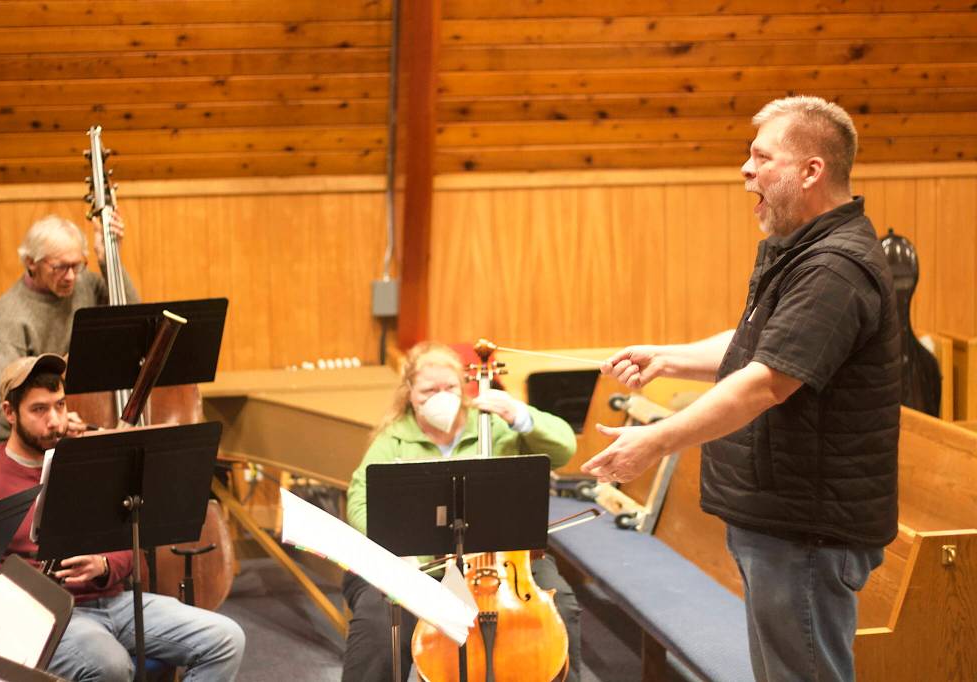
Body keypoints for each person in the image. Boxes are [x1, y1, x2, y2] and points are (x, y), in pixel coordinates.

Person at [585, 96, 900, 682]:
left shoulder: (835, 267)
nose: (745, 169)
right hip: (781, 518)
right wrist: (666, 357)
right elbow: (759, 343)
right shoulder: (805, 251)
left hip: (805, 527)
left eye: (761, 156)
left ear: (811, 171)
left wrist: (655, 441)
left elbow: (765, 383)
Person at [0, 354, 245, 681]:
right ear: (9, 412)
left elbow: (126, 545)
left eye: (60, 405)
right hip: (48, 615)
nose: (55, 420)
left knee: (226, 639)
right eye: (39, 409)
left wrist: (103, 565)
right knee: (110, 665)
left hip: (114, 601)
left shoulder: (88, 461)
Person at [343, 341, 583, 682]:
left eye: (449, 387)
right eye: (428, 390)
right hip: (423, 562)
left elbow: (563, 450)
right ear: (410, 391)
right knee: (378, 620)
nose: (440, 396)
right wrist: (399, 547)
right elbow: (359, 502)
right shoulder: (393, 440)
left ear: (463, 387)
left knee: (561, 607)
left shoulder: (493, 426)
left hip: (505, 560)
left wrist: (521, 415)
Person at [0, 213, 139, 441]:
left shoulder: (85, 284)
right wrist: (56, 423)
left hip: (77, 427)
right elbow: (1, 405)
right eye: (60, 267)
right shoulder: (9, 314)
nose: (70, 277)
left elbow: (131, 319)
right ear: (31, 262)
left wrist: (109, 259)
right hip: (32, 439)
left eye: (77, 266)